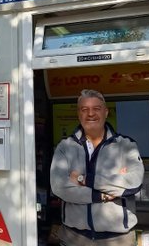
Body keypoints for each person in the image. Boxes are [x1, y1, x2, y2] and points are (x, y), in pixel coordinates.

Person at [50, 89, 144, 246]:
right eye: (84, 109)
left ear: (106, 112)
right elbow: (59, 187)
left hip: (118, 240)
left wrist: (83, 179)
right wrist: (102, 195)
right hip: (74, 238)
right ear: (78, 114)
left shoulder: (126, 145)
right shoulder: (65, 147)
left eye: (96, 109)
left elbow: (133, 183)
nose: (90, 114)